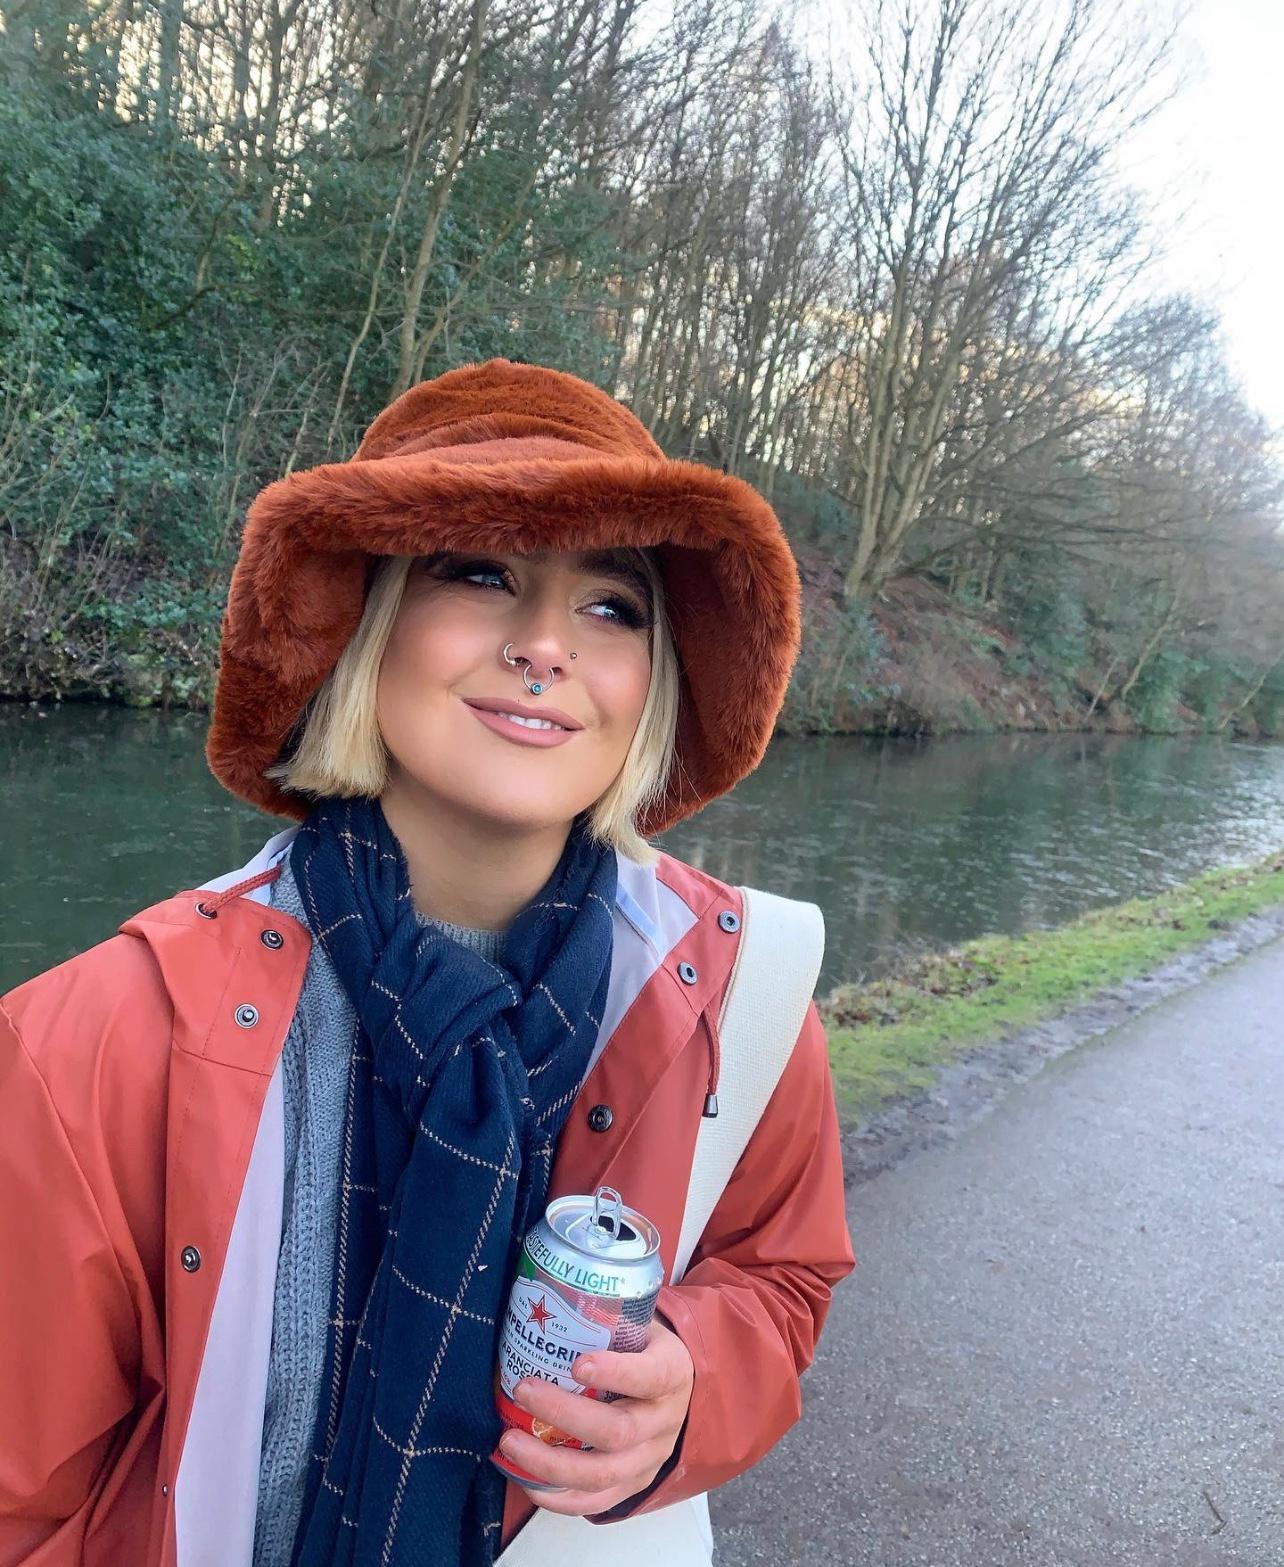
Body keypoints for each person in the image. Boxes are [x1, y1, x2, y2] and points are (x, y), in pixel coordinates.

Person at [0, 358, 854, 1567]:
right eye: (480, 573)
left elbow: (778, 1275)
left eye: (613, 605)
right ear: (368, 619)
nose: (545, 645)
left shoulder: (739, 995)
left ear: (652, 678)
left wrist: (689, 1390)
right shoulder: (94, 1039)